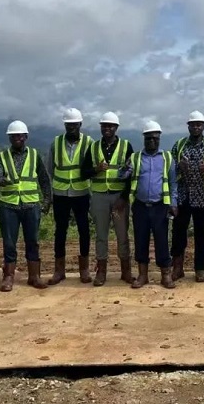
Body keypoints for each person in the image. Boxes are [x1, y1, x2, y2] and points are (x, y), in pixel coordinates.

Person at [0, 120, 53, 291]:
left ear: (26, 137)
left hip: (31, 205)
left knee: (32, 241)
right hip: (9, 206)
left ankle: (34, 276)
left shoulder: (34, 155)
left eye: (20, 136)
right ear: (9, 138)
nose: (17, 138)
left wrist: (47, 200)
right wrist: (3, 180)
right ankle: (8, 276)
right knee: (9, 242)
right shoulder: (3, 156)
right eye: (14, 136)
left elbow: (44, 179)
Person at [119, 121, 177, 289]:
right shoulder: (136, 157)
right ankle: (142, 275)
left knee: (162, 240)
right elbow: (122, 176)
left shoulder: (167, 158)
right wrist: (124, 169)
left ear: (159, 138)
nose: (152, 141)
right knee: (141, 239)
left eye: (155, 138)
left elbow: (173, 183)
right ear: (144, 139)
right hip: (140, 206)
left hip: (160, 206)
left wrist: (173, 203)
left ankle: (165, 275)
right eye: (148, 138)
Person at [81, 112, 134, 287]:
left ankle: (126, 271)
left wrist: (124, 198)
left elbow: (132, 174)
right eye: (104, 125)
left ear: (116, 128)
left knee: (122, 235)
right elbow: (84, 172)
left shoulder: (126, 146)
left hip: (119, 198)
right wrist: (96, 169)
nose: (107, 129)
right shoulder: (94, 147)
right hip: (100, 198)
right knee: (101, 235)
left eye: (110, 126)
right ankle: (101, 272)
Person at [170, 111, 204, 283]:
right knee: (178, 232)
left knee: (202, 233)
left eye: (198, 124)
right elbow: (170, 169)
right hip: (183, 195)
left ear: (203, 126)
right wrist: (180, 166)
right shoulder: (179, 145)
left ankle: (200, 269)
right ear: (188, 126)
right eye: (193, 124)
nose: (196, 127)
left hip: (203, 196)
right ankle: (177, 268)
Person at [47, 107, 93, 285]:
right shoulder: (56, 143)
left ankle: (84, 269)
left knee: (84, 230)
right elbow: (50, 168)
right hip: (61, 193)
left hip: (81, 192)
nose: (71, 127)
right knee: (60, 231)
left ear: (80, 124)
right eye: (68, 124)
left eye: (74, 124)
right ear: (64, 125)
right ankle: (59, 270)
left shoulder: (88, 142)